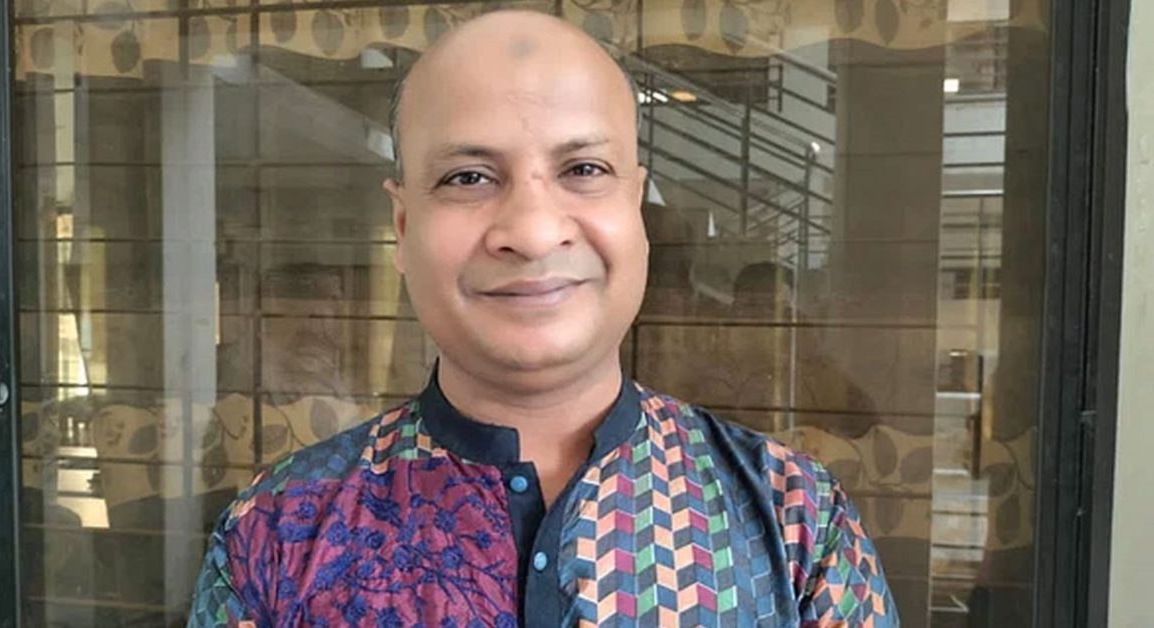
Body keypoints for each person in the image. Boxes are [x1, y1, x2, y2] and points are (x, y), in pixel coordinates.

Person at [188, 10, 898, 627]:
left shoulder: (799, 521)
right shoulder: (275, 534)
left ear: (636, 206)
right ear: (403, 226)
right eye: (468, 177)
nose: (531, 232)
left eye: (583, 169)